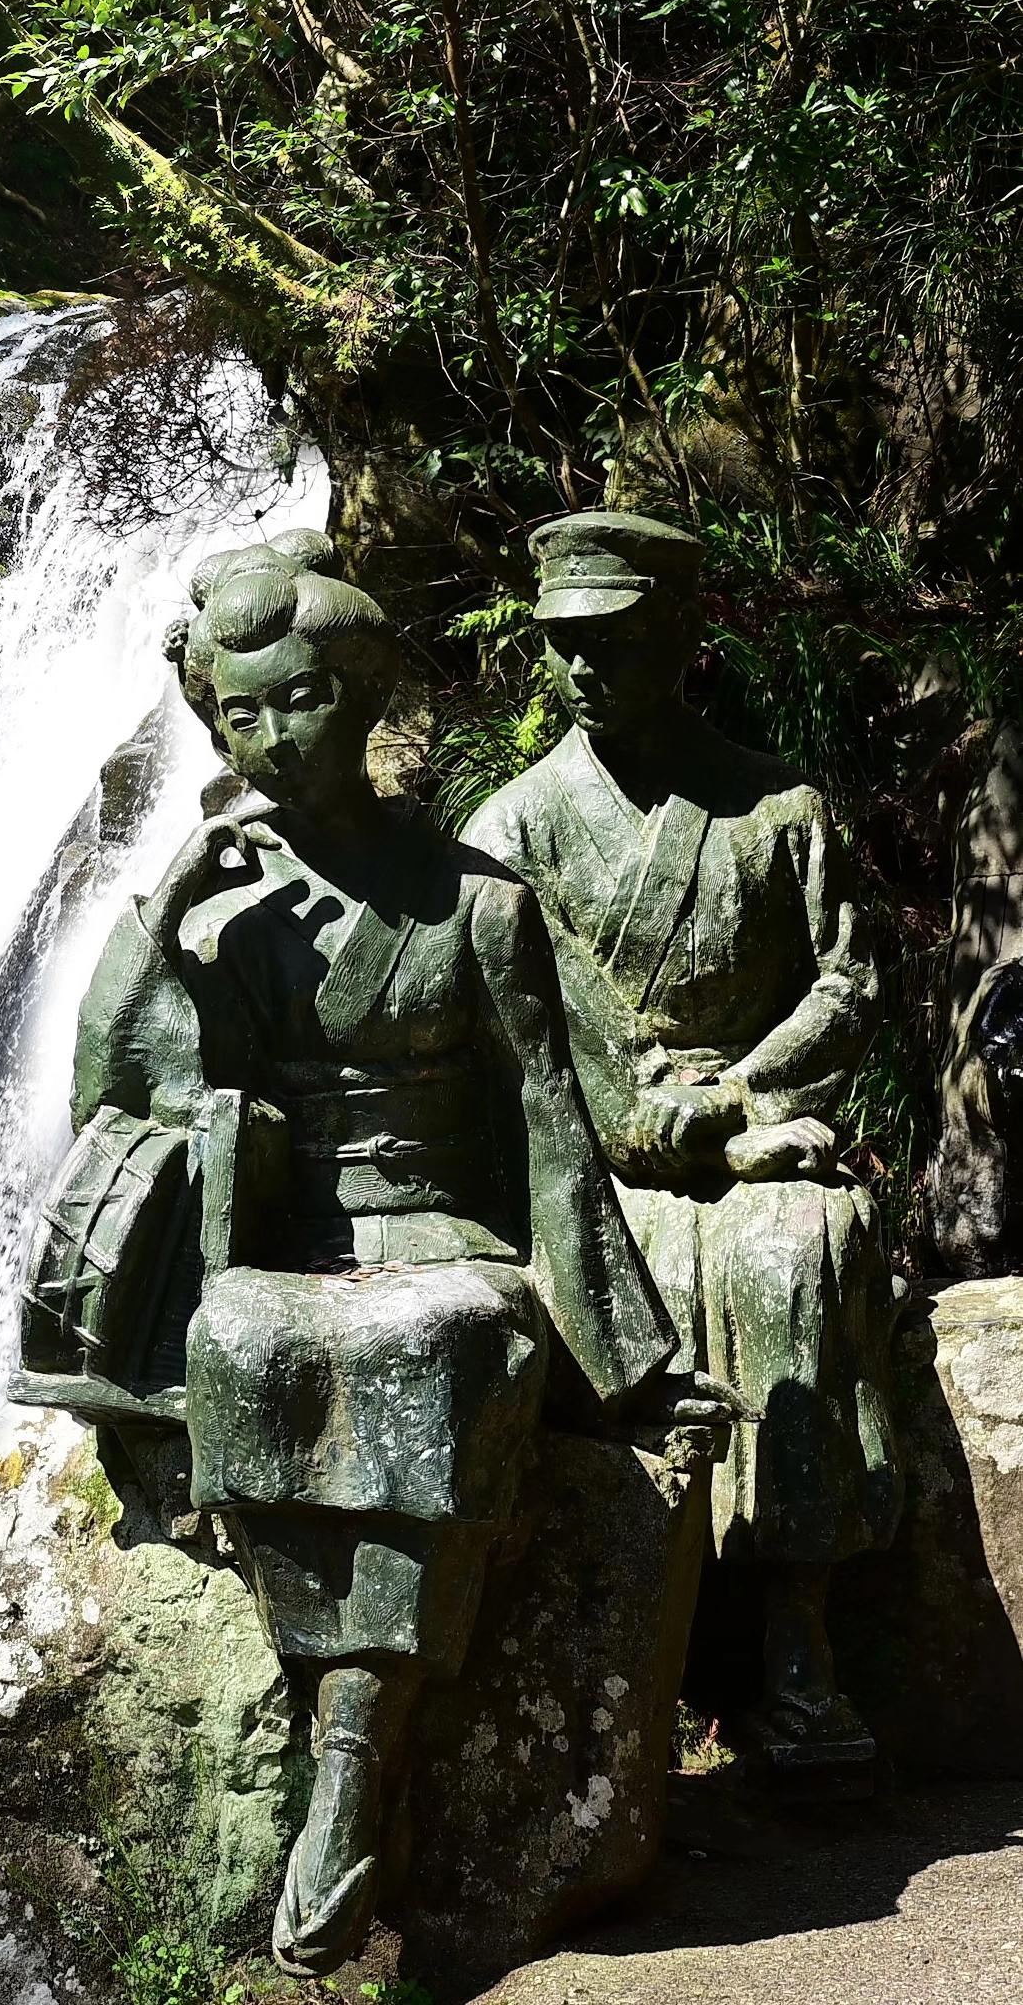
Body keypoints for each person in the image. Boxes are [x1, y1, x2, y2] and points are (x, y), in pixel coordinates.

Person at [45, 532, 680, 1972]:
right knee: (249, 1339)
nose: (268, 739)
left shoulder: (474, 899)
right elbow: (110, 1092)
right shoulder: (230, 901)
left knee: (428, 1345)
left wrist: (627, 1362)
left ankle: (354, 1748)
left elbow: (557, 1136)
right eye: (238, 714)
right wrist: (162, 919)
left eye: (300, 703)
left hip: (446, 1237)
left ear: (367, 694)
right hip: (290, 1235)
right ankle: (338, 1709)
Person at [467, 511, 902, 1781]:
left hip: (771, 1137)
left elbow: (849, 980)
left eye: (616, 640)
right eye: (565, 646)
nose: (586, 670)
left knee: (798, 1254)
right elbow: (526, 1036)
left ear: (680, 637)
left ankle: (795, 1638)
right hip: (595, 1164)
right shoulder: (514, 830)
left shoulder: (779, 806)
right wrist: (682, 1124)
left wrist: (752, 1095)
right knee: (592, 1281)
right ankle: (628, 1650)